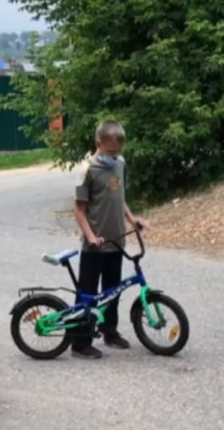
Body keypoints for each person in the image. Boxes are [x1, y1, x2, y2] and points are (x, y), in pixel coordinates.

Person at [72, 120, 148, 359]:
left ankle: (109, 331)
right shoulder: (87, 171)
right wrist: (91, 237)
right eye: (111, 151)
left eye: (118, 151)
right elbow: (79, 210)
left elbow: (119, 197)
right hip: (94, 246)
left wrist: (132, 218)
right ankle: (80, 342)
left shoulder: (119, 164)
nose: (115, 155)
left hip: (117, 242)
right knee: (87, 293)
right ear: (98, 144)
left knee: (113, 291)